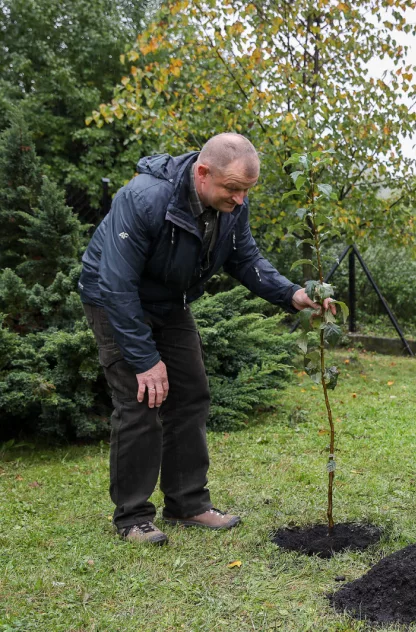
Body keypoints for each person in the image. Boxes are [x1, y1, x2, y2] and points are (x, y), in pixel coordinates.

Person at [79, 133, 331, 545]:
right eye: (233, 189)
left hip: (170, 302)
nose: (240, 200)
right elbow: (117, 283)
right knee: (142, 400)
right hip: (114, 302)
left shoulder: (230, 207)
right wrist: (144, 359)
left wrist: (292, 294)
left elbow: (245, 257)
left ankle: (187, 503)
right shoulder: (143, 198)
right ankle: (133, 517)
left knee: (192, 393)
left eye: (247, 191)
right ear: (202, 173)